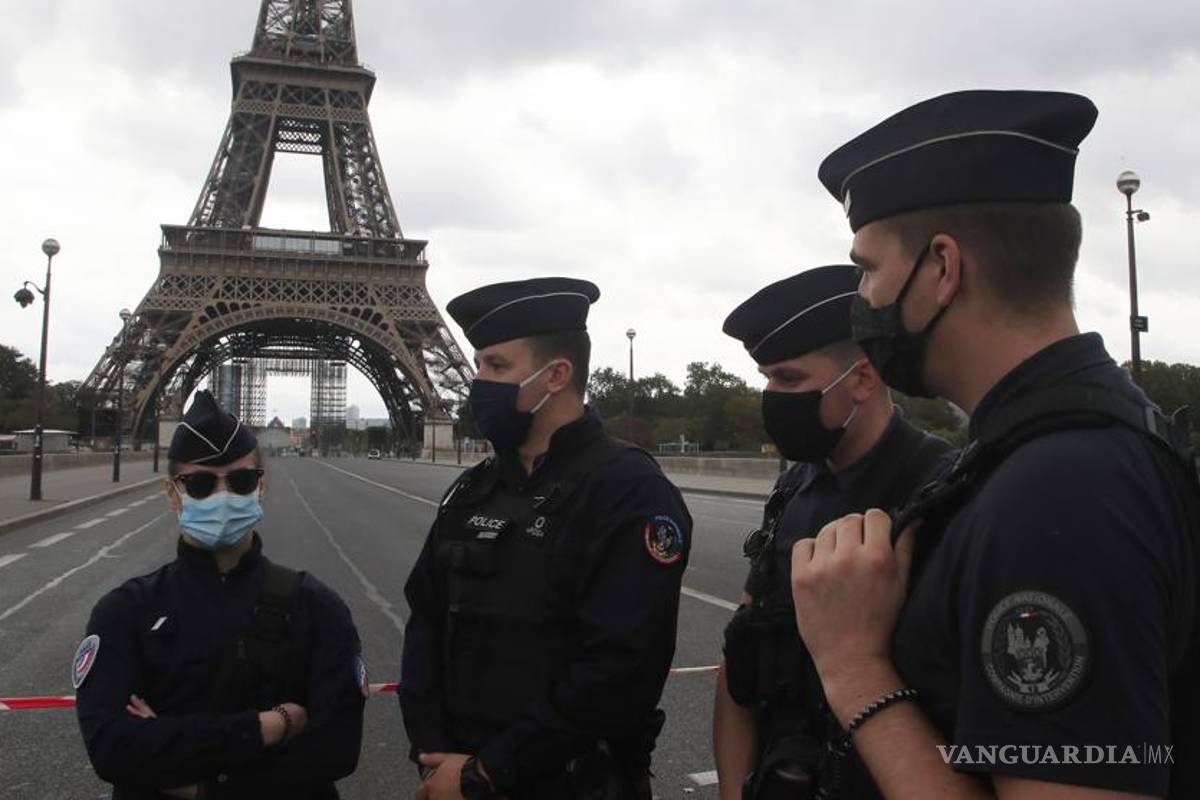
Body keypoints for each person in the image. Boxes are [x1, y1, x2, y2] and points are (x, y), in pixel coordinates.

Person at [786, 89, 1200, 798]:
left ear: (942, 269)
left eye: (868, 269)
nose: (862, 301)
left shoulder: (1062, 488)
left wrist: (853, 668)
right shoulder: (1059, 448)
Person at [398, 277, 691, 799]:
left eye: (497, 367)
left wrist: (486, 771)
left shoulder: (628, 490)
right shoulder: (473, 489)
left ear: (556, 374)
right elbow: (425, 619)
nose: (479, 382)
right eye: (480, 365)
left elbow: (620, 669)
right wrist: (435, 756)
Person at [714, 265, 953, 799]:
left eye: (789, 379)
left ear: (863, 380)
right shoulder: (794, 489)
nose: (772, 396)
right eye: (768, 379)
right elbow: (741, 665)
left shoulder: (940, 494)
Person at [74, 391, 366, 799]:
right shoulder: (123, 612)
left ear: (260, 488)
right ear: (172, 493)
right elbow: (113, 750)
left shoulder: (319, 607)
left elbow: (335, 749)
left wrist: (186, 771)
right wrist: (272, 726)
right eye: (200, 484)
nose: (222, 495)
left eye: (241, 480)